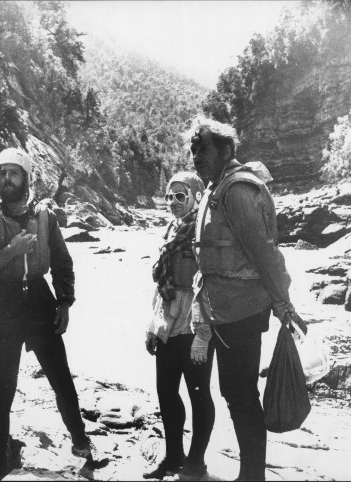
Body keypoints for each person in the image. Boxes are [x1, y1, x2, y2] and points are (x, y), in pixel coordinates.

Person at [0, 147, 107, 480]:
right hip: (3, 306)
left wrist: (65, 302)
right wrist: (9, 252)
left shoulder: (45, 216)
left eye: (14, 173)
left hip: (40, 302)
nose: (6, 179)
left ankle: (82, 443)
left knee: (61, 380)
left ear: (27, 178)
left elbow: (62, 262)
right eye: (2, 173)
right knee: (3, 392)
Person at [187, 117, 308, 481]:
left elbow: (263, 252)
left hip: (240, 310)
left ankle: (252, 475)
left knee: (239, 394)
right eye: (192, 151)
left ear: (226, 150)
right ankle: (249, 473)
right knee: (235, 392)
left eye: (203, 149)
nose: (195, 157)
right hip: (224, 308)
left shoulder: (236, 191)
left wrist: (282, 300)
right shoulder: (217, 187)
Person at [143, 172, 215, 480]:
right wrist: (151, 326)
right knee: (166, 391)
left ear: (196, 197)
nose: (173, 203)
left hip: (194, 324)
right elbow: (160, 282)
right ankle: (173, 457)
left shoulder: (206, 232)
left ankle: (196, 464)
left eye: (180, 196)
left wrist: (203, 336)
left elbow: (211, 286)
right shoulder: (171, 229)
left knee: (198, 394)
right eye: (169, 197)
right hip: (168, 323)